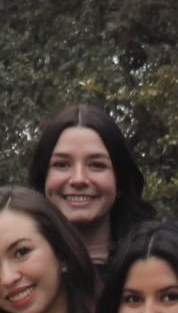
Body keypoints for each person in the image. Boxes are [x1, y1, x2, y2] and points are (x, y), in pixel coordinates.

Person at [27, 104, 157, 271]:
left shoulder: (152, 265)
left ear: (120, 181)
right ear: (43, 178)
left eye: (96, 165)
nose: (79, 179)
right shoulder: (23, 275)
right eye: (62, 165)